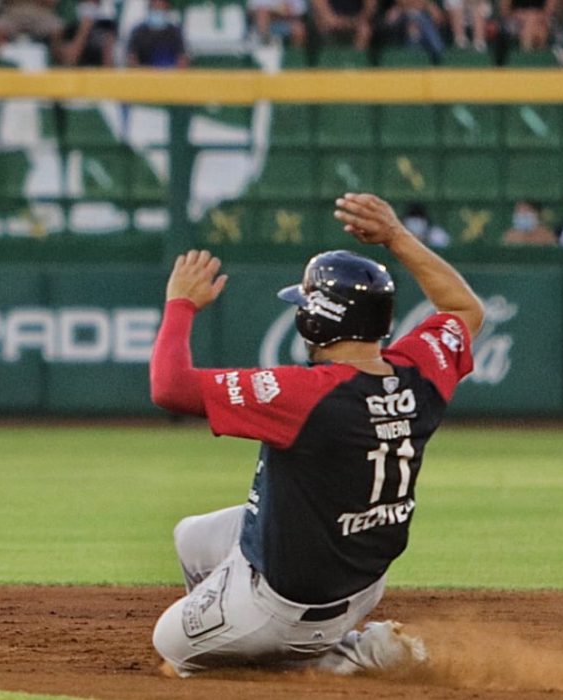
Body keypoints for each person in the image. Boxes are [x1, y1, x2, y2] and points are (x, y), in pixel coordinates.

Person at [148, 192, 484, 676]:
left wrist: (180, 305)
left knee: (173, 649)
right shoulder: (422, 372)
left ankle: (333, 655)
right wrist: (395, 235)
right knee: (191, 537)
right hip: (360, 581)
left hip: (285, 607)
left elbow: (169, 387)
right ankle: (282, 634)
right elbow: (464, 308)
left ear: (318, 319)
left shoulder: (305, 393)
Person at [126, 0, 189, 68]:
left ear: (167, 7)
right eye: (155, 5)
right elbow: (131, 59)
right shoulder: (138, 31)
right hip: (143, 76)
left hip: (170, 76)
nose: (158, 8)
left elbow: (183, 59)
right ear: (150, 6)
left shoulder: (175, 32)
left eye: (161, 5)